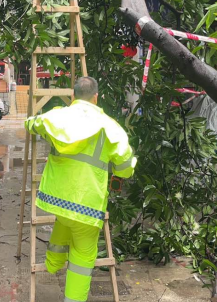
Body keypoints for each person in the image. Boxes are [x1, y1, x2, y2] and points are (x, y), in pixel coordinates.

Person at [25, 77, 136, 302]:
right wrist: (121, 169)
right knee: (82, 257)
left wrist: (35, 125)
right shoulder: (110, 127)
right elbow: (125, 168)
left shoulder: (57, 116)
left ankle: (53, 263)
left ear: (73, 96)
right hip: (87, 203)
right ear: (96, 98)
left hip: (57, 197)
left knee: (65, 220)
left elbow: (32, 123)